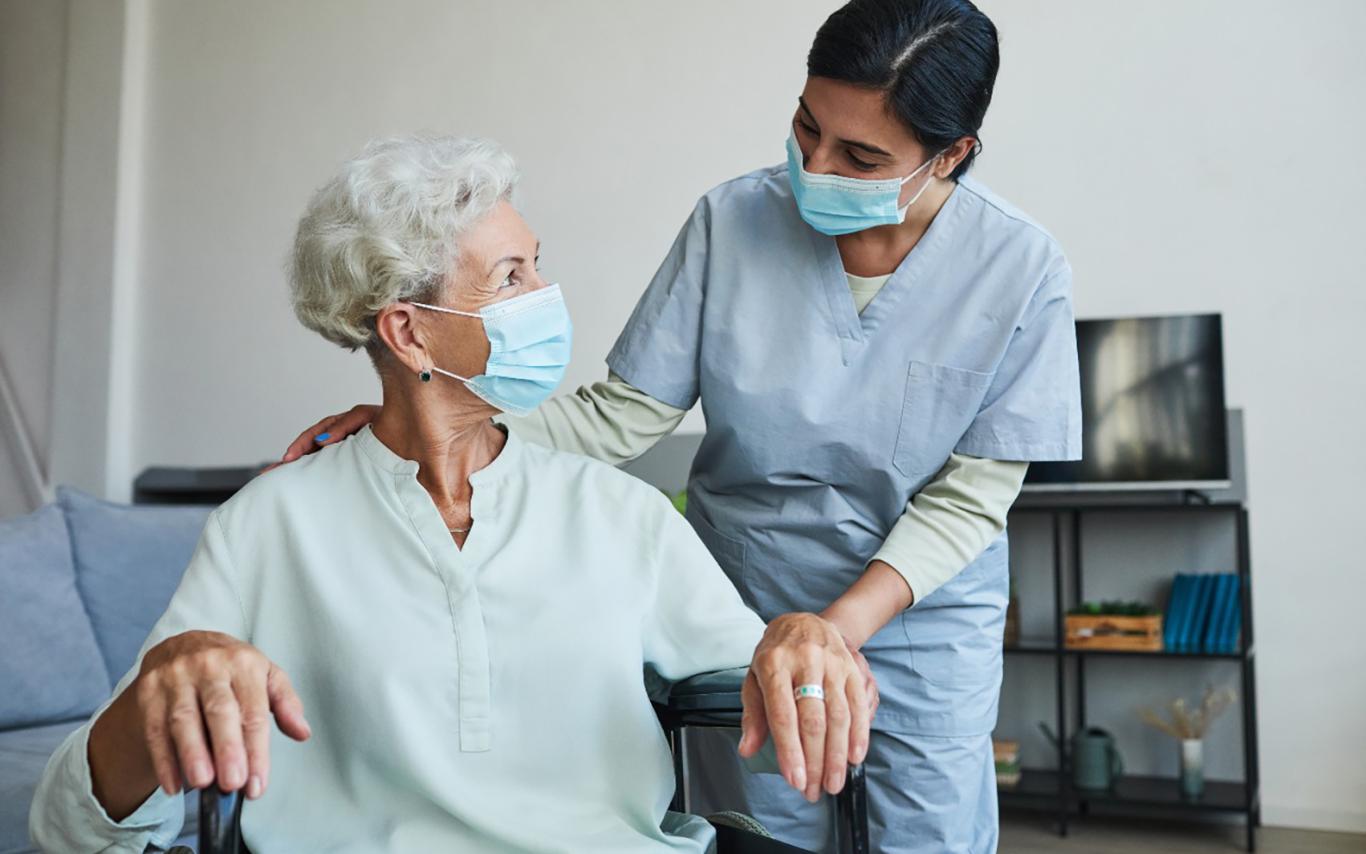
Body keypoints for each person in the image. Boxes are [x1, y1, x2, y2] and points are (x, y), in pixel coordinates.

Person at [281, 0, 1082, 850]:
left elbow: (971, 497)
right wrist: (430, 419)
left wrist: (833, 631)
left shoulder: (1020, 269)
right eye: (807, 128)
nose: (815, 165)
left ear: (950, 155)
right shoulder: (731, 222)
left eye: (860, 155)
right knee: (770, 832)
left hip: (922, 623)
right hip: (750, 598)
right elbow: (622, 415)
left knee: (931, 836)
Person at [28, 135, 873, 854]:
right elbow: (66, 827)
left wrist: (799, 644)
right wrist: (157, 689)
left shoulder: (619, 514)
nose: (546, 297)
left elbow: (774, 700)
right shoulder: (270, 522)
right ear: (407, 330)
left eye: (539, 265)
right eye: (510, 277)